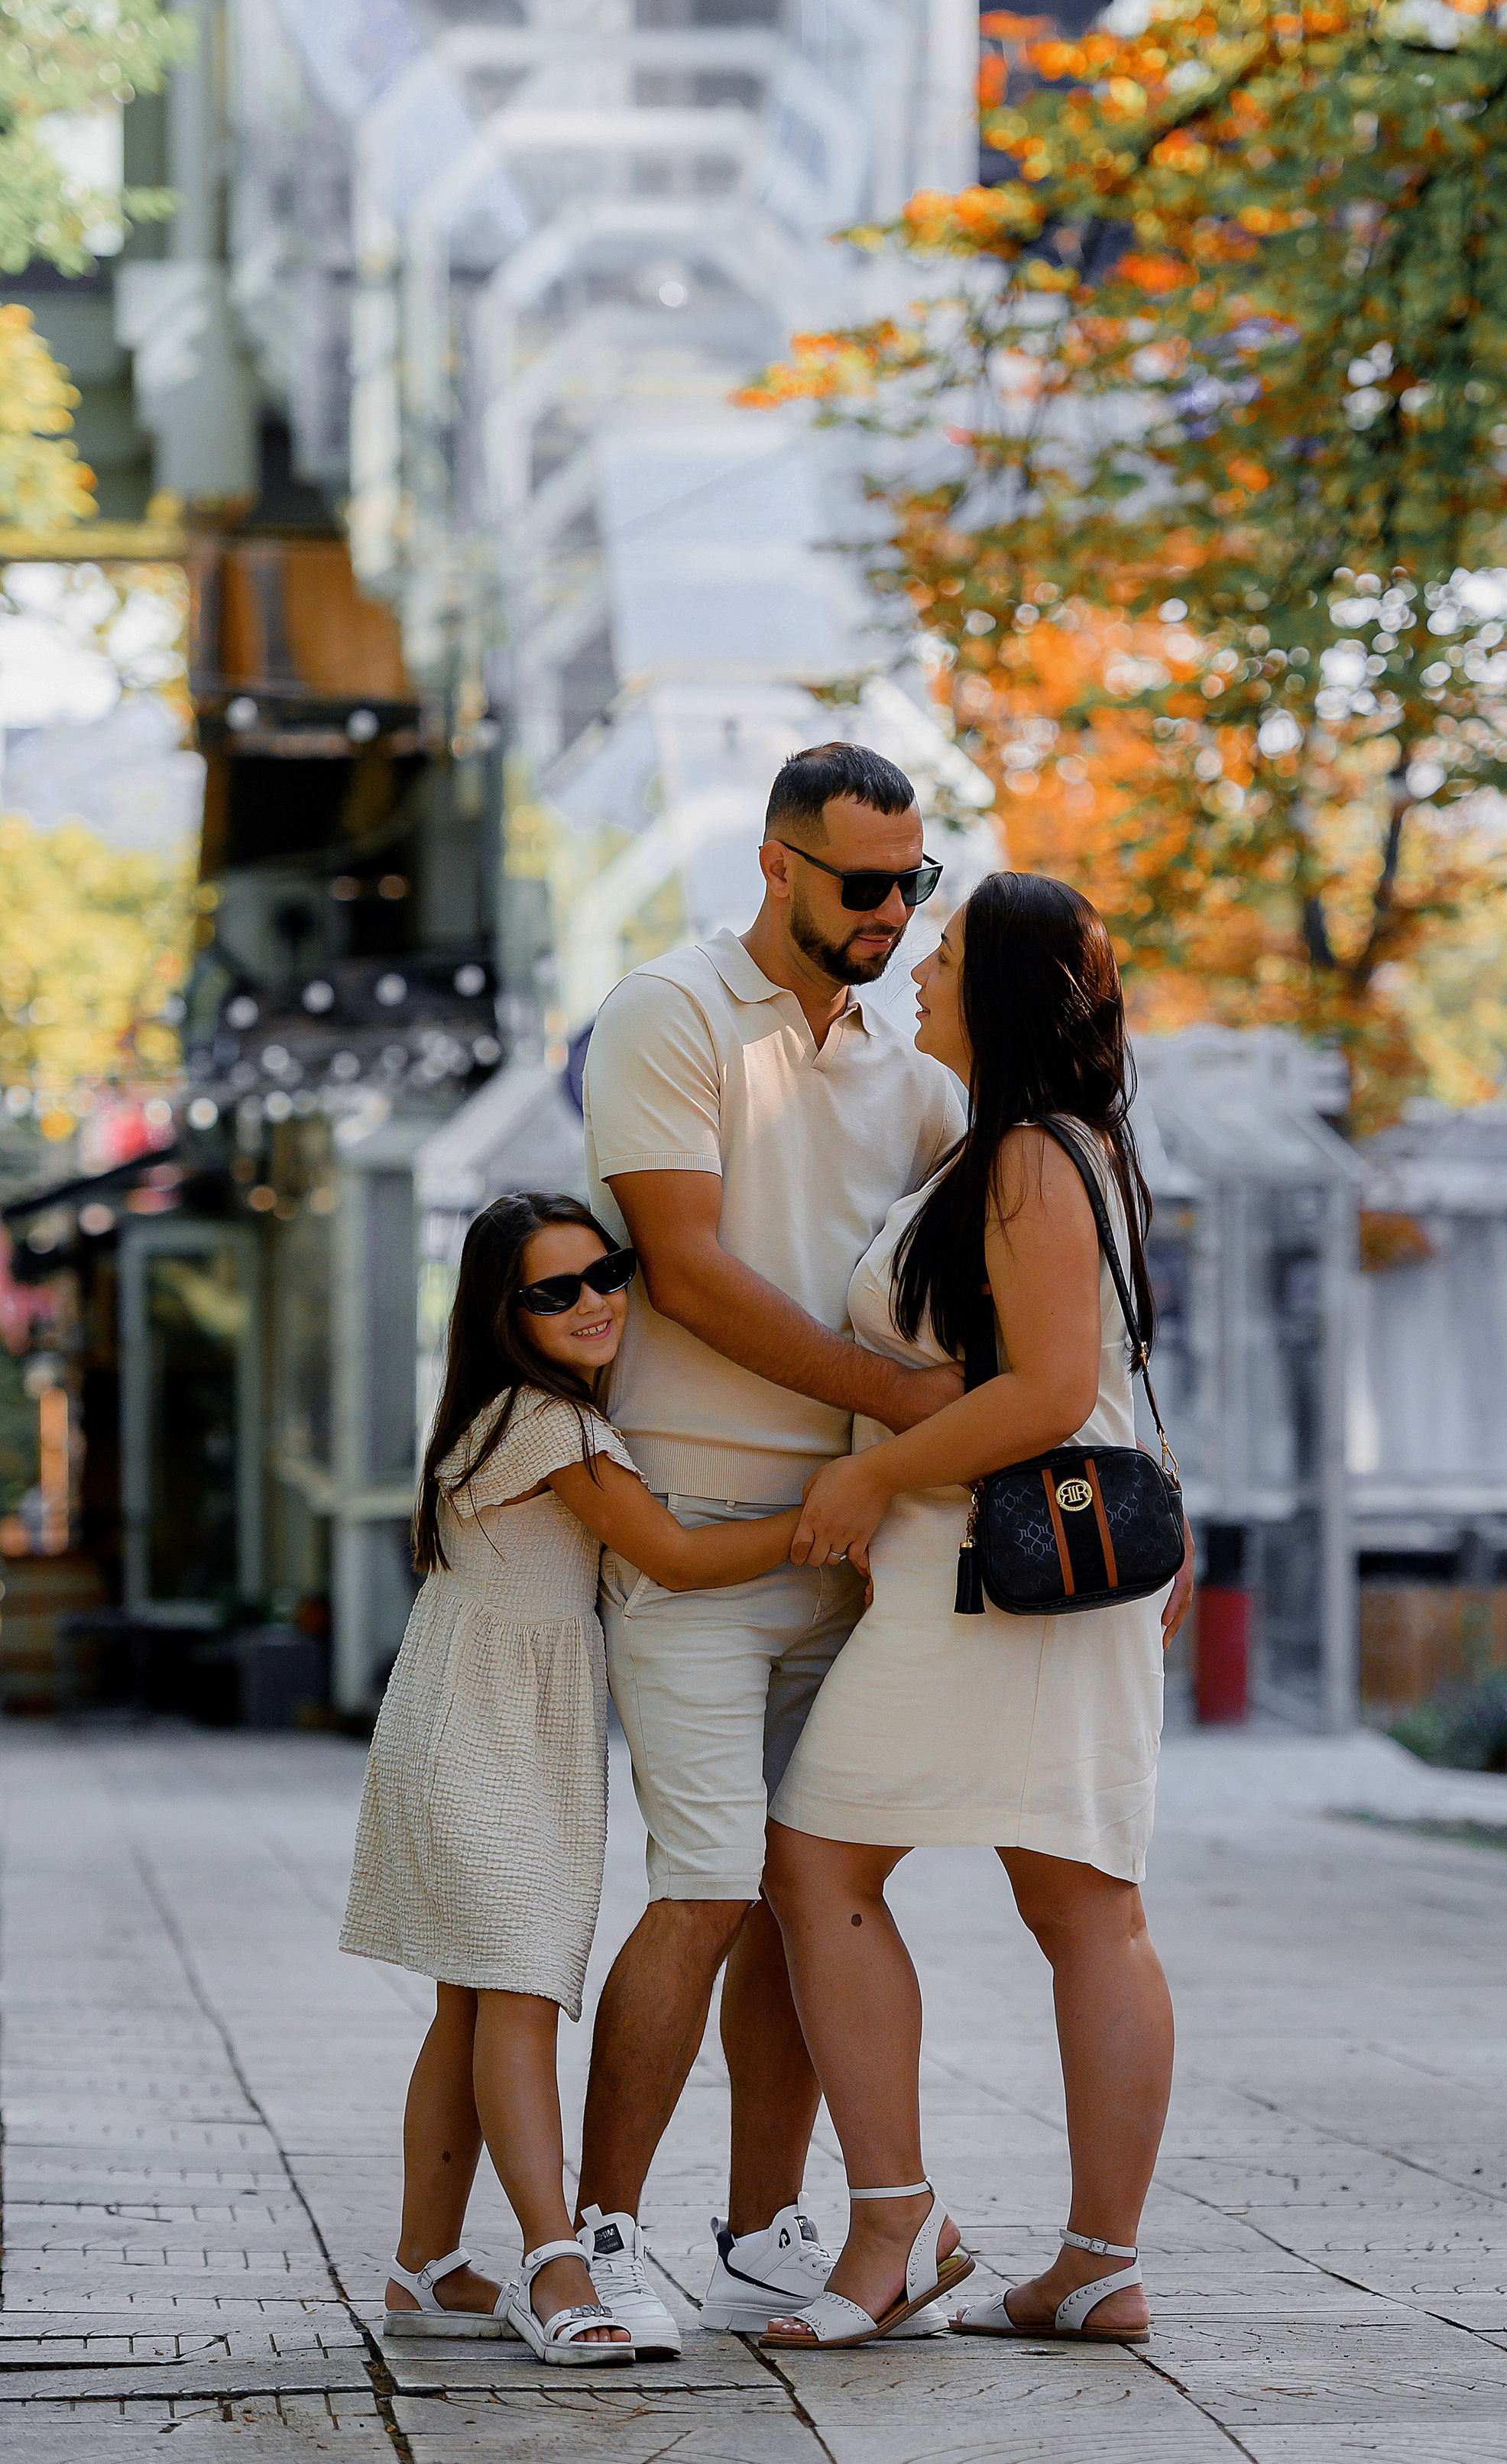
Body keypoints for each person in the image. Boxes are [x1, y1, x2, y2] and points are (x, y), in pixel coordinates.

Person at [758, 872, 1195, 2349]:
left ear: (999, 988)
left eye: (944, 955)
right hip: (1013, 1584)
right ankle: (1087, 2263)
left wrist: (871, 1476)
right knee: (1080, 1906)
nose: (919, 974)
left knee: (827, 1861)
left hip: (991, 1582)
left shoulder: (1025, 1156)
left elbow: (1054, 1391)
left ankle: (906, 2227)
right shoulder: (1053, 1145)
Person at [571, 743, 968, 2343]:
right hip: (695, 1527)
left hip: (862, 1552)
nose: (891, 911)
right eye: (863, 882)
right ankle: (598, 2235)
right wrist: (894, 1399)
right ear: (776, 864)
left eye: (913, 883)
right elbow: (682, 1268)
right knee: (707, 1882)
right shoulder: (667, 1013)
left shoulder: (919, 1080)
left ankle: (762, 2225)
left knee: (818, 1894)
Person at [339, 1192, 806, 2368]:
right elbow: (676, 1557)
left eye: (608, 1274)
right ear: (506, 1313)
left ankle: (424, 2263)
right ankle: (557, 2263)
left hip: (475, 1717)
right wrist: (840, 1516)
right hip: (489, 1734)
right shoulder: (548, 1423)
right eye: (556, 1291)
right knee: (517, 1990)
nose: (595, 1302)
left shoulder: (501, 1410)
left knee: (471, 1999)